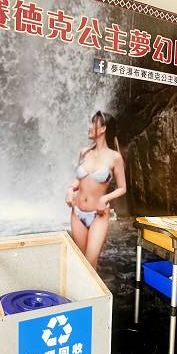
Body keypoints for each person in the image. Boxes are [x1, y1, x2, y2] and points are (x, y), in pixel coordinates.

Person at [65, 111, 126, 270]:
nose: (89, 127)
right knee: (80, 261)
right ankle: (82, 294)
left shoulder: (115, 157)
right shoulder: (84, 152)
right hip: (77, 212)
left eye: (93, 123)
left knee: (91, 262)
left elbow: (122, 188)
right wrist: (70, 190)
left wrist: (104, 199)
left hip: (98, 215)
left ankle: (95, 294)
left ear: (103, 129)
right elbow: (78, 180)